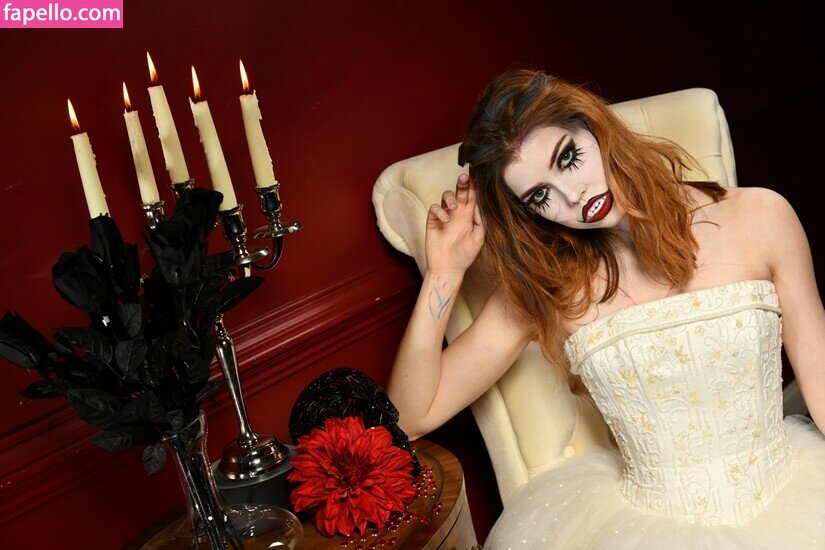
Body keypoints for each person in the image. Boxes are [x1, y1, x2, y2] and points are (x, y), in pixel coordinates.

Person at [387, 69, 825, 548]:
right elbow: (411, 415)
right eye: (540, 195)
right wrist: (444, 274)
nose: (572, 195)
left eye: (568, 158)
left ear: (594, 127)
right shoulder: (550, 287)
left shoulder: (761, 217)